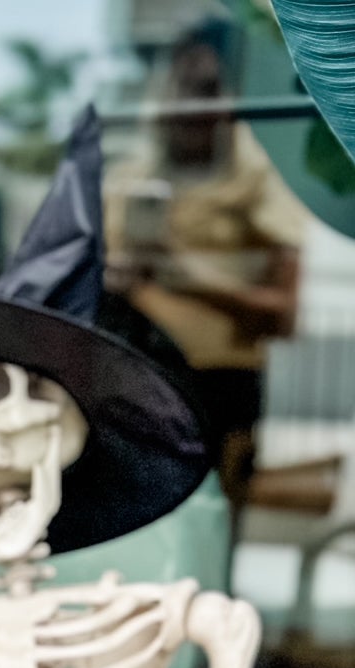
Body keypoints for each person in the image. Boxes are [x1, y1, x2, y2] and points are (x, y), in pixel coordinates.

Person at [104, 26, 306, 512]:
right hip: (135, 378)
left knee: (214, 520)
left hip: (224, 384)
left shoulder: (257, 180)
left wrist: (189, 278)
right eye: (180, 87)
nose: (189, 104)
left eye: (207, 90)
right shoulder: (127, 180)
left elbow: (284, 315)